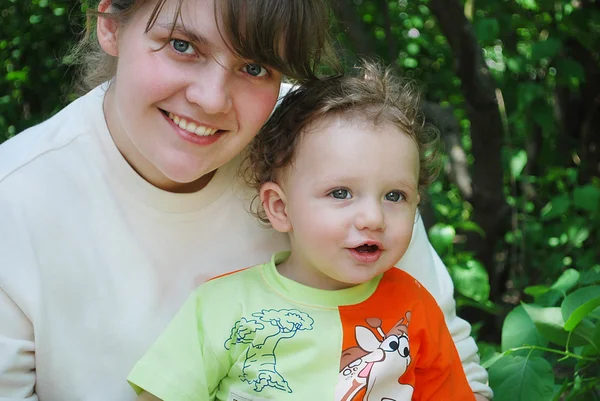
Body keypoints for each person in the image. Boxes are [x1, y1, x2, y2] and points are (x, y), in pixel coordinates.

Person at [0, 0, 492, 400]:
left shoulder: (331, 144)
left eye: (255, 66)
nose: (212, 99)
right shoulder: (16, 200)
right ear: (108, 22)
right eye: (181, 45)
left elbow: (453, 371)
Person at [127, 61, 477, 401]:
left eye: (394, 195)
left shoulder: (415, 308)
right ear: (280, 207)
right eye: (340, 193)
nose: (373, 217)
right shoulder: (224, 306)